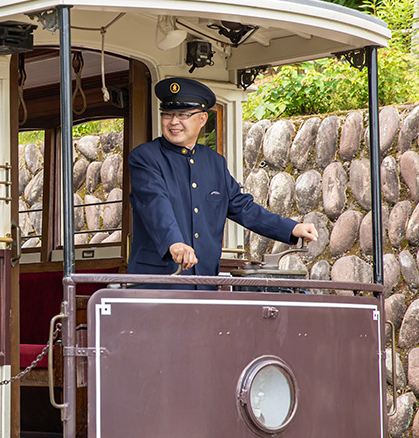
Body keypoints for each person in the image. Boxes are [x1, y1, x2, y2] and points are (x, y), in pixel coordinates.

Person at [127, 77, 317, 286]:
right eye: (168, 115)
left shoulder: (214, 162)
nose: (173, 122)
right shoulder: (145, 157)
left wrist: (291, 229)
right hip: (158, 283)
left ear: (202, 119)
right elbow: (155, 204)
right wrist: (175, 243)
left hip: (204, 282)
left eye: (182, 115)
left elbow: (242, 207)